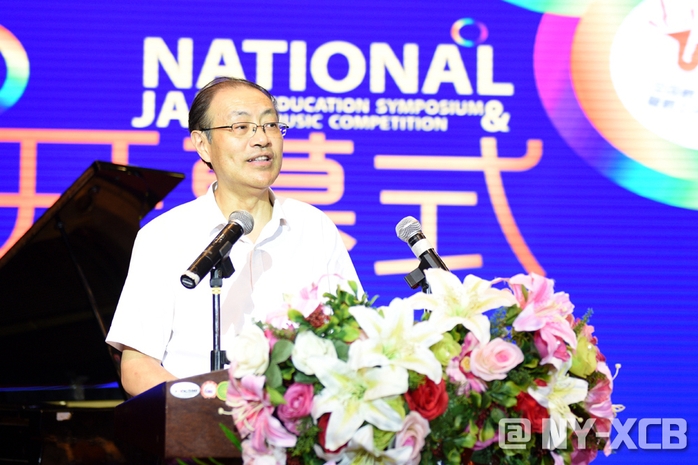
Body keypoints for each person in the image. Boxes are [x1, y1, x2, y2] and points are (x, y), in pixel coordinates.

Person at [106, 77, 361, 397]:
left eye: (270, 125)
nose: (262, 139)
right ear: (203, 144)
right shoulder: (164, 236)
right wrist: (205, 407)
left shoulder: (313, 227)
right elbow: (138, 366)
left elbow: (355, 335)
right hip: (200, 423)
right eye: (241, 127)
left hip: (298, 421)